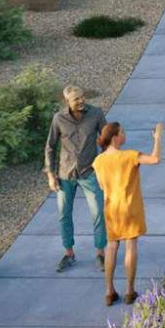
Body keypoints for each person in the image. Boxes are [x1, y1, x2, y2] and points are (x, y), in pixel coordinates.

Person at [92, 118, 162, 307]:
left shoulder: (98, 161)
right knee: (130, 247)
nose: (125, 135)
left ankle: (109, 291)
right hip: (130, 207)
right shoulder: (130, 156)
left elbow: (100, 185)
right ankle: (129, 291)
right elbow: (155, 159)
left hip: (111, 208)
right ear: (115, 138)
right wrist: (157, 138)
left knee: (112, 247)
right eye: (122, 132)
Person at [45, 84, 107, 274]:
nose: (81, 101)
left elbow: (106, 141)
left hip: (90, 172)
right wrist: (50, 175)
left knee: (97, 213)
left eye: (82, 97)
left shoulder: (96, 114)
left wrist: (105, 169)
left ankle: (100, 253)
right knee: (64, 214)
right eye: (76, 99)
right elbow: (50, 147)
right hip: (65, 174)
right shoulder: (59, 119)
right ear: (67, 101)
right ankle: (69, 253)